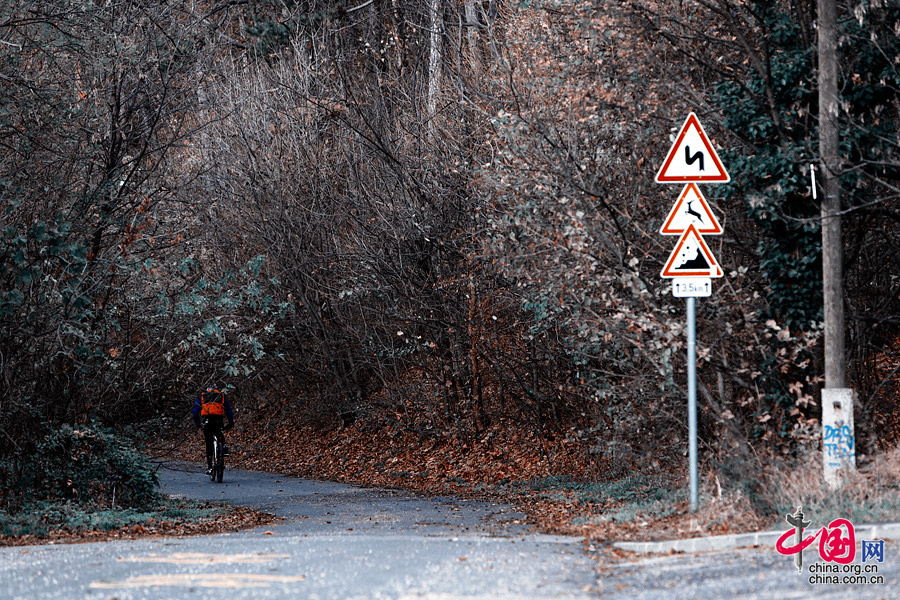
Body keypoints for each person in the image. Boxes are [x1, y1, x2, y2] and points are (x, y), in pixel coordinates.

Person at [192, 388, 234, 475]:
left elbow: (195, 410)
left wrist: (197, 422)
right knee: (219, 432)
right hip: (218, 419)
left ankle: (210, 467)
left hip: (207, 420)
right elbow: (228, 410)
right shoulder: (220, 396)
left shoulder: (203, 396)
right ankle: (224, 447)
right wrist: (231, 422)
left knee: (209, 442)